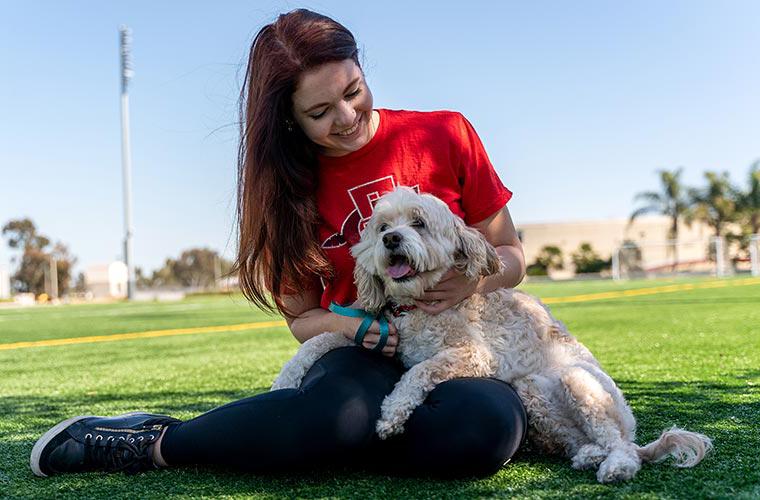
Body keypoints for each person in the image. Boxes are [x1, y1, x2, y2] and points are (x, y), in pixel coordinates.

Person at [30, 9, 528, 479]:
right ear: (289, 118)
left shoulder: (446, 132)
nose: (347, 117)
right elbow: (302, 319)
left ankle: (331, 442)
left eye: (354, 91)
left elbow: (511, 255)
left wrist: (476, 279)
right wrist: (349, 327)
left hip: (455, 348)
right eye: (319, 112)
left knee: (482, 427)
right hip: (367, 355)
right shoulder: (285, 192)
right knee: (338, 415)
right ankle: (157, 441)